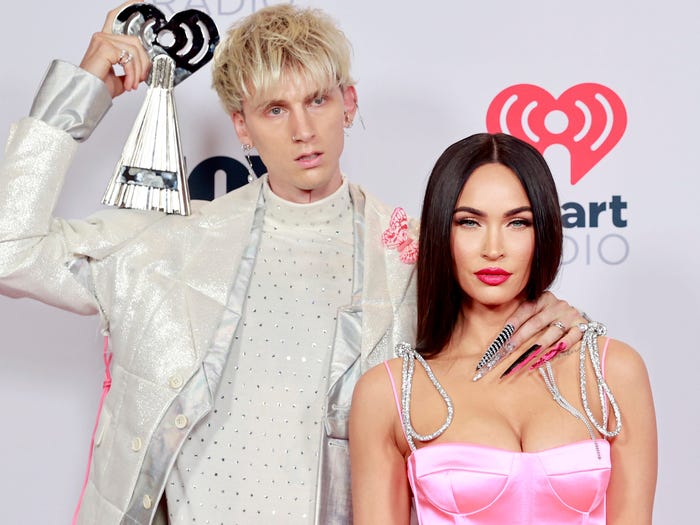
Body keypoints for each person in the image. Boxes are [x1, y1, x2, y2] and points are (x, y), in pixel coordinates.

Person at [0, 2, 588, 524]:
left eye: (317, 100)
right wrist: (79, 94)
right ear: (242, 127)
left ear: (348, 103)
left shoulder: (413, 257)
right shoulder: (166, 248)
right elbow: (11, 253)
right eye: (275, 109)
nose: (303, 130)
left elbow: (498, 328)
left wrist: (552, 312)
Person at [349, 133, 657, 524]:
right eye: (470, 222)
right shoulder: (387, 393)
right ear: (442, 231)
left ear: (542, 231)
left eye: (517, 222)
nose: (493, 247)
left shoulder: (613, 371)